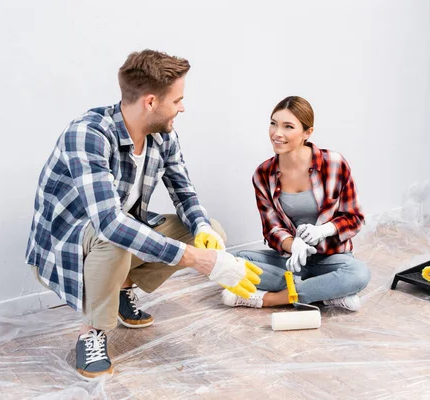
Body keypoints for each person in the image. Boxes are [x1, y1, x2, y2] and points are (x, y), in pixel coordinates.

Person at [25, 49, 262, 379]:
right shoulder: (88, 135)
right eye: (177, 99)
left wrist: (202, 229)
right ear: (150, 102)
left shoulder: (163, 136)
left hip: (115, 237)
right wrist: (196, 260)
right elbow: (108, 223)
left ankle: (121, 287)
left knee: (211, 232)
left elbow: (184, 192)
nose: (183, 107)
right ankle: (92, 332)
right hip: (67, 250)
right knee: (116, 239)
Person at [222, 96, 370, 312]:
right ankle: (326, 293)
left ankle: (270, 299)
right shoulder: (263, 174)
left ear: (307, 133)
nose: (277, 133)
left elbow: (354, 218)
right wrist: (295, 245)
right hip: (290, 260)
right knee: (230, 261)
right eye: (273, 123)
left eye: (288, 126)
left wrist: (323, 231)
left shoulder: (335, 164)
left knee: (359, 273)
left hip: (331, 258)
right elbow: (272, 228)